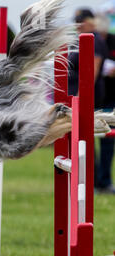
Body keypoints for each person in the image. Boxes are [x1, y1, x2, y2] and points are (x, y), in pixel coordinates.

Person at [67, 8, 111, 193]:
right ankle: (88, 180)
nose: (77, 25)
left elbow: (92, 70)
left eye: (80, 21)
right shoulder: (78, 40)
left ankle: (96, 181)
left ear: (88, 21)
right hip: (79, 96)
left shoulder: (94, 40)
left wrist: (79, 96)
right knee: (83, 139)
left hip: (87, 97)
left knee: (87, 138)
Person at [96, 13, 115, 193]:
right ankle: (95, 180)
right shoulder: (90, 41)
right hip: (95, 99)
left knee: (108, 141)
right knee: (87, 142)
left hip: (110, 99)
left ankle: (105, 181)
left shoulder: (112, 41)